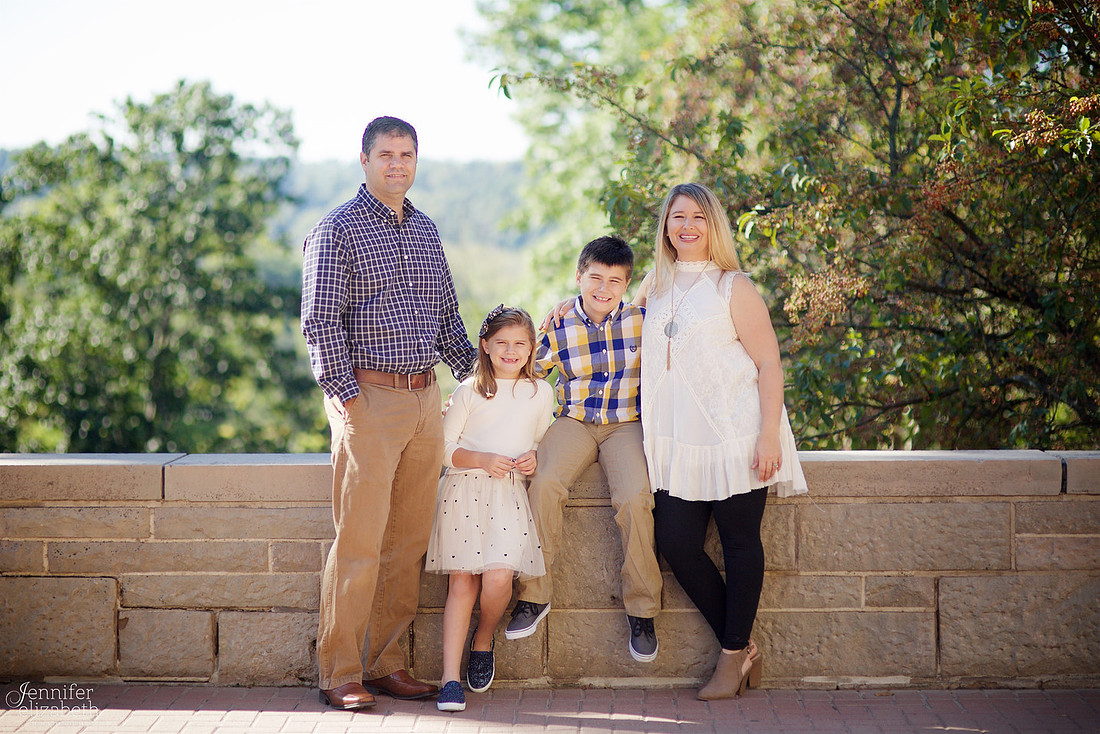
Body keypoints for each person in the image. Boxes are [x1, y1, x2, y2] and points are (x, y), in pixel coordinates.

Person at [301, 116, 477, 711]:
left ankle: (387, 665)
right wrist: (346, 401)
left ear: (416, 161)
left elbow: (448, 320)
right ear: (364, 159)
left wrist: (490, 381)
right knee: (359, 542)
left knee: (407, 545)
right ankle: (339, 671)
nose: (397, 163)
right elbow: (320, 324)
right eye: (386, 154)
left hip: (426, 400)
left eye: (406, 154)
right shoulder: (337, 230)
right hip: (367, 400)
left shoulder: (426, 231)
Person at [634, 182, 808, 699]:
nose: (687, 226)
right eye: (677, 217)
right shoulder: (653, 284)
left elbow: (769, 362)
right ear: (665, 225)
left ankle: (731, 658)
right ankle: (745, 645)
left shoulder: (734, 286)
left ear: (714, 226)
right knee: (677, 545)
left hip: (737, 434)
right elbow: (607, 326)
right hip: (675, 442)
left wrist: (769, 434)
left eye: (698, 218)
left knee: (739, 543)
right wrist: (561, 309)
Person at [505, 236, 664, 664]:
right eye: (595, 277)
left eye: (615, 281)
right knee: (543, 485)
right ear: (579, 277)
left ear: (626, 285)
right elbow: (521, 368)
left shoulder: (641, 320)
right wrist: (470, 396)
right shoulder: (558, 324)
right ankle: (534, 596)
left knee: (634, 498)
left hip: (624, 425)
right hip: (573, 421)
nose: (603, 288)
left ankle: (643, 610)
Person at [426, 305, 553, 712]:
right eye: (502, 343)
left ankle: (483, 640)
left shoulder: (540, 392)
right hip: (465, 492)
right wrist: (480, 459)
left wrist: (533, 457)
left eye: (520, 344)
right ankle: (449, 678)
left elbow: (540, 441)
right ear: (485, 345)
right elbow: (443, 450)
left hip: (509, 495)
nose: (511, 351)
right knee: (462, 582)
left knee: (499, 581)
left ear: (532, 348)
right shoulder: (470, 390)